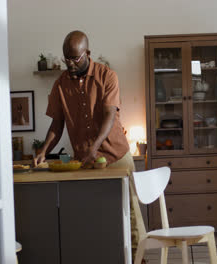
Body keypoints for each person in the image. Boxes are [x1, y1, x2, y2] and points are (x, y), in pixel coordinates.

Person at [34, 30, 142, 262]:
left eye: (75, 58)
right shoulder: (60, 85)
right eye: (67, 59)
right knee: (94, 211)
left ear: (87, 53)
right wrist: (43, 150)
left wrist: (96, 145)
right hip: (86, 160)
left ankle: (138, 258)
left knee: (129, 211)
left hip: (116, 155)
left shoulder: (107, 76)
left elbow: (109, 115)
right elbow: (57, 122)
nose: (70, 64)